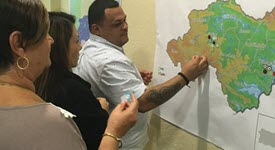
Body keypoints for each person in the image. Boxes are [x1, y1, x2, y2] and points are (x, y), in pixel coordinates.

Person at [0, 0, 137, 150]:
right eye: (45, 33)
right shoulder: (51, 121)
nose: (51, 40)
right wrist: (113, 132)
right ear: (18, 43)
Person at [73, 0, 209, 149]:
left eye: (125, 20)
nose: (125, 27)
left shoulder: (91, 47)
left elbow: (111, 93)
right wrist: (186, 75)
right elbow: (143, 103)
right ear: (96, 29)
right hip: (122, 144)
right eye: (117, 24)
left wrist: (131, 79)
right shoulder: (108, 60)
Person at [35, 11, 108, 149]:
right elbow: (99, 138)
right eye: (76, 41)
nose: (80, 46)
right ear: (60, 47)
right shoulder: (74, 91)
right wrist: (101, 110)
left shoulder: (37, 82)